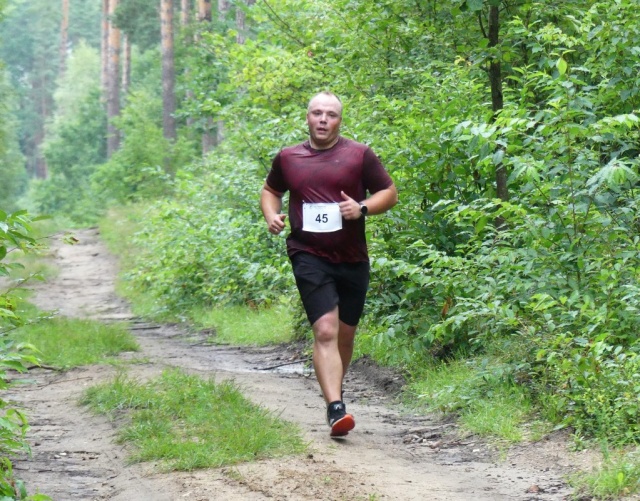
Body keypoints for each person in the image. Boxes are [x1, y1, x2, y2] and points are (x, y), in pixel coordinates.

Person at [260, 91, 398, 437]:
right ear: (307, 117)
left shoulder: (359, 155)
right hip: (308, 254)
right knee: (325, 330)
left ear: (340, 120)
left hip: (352, 258)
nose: (323, 120)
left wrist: (362, 208)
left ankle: (335, 392)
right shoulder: (288, 157)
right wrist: (271, 215)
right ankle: (336, 408)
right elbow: (270, 190)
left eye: (331, 114)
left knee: (345, 336)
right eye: (317, 113)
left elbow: (389, 193)